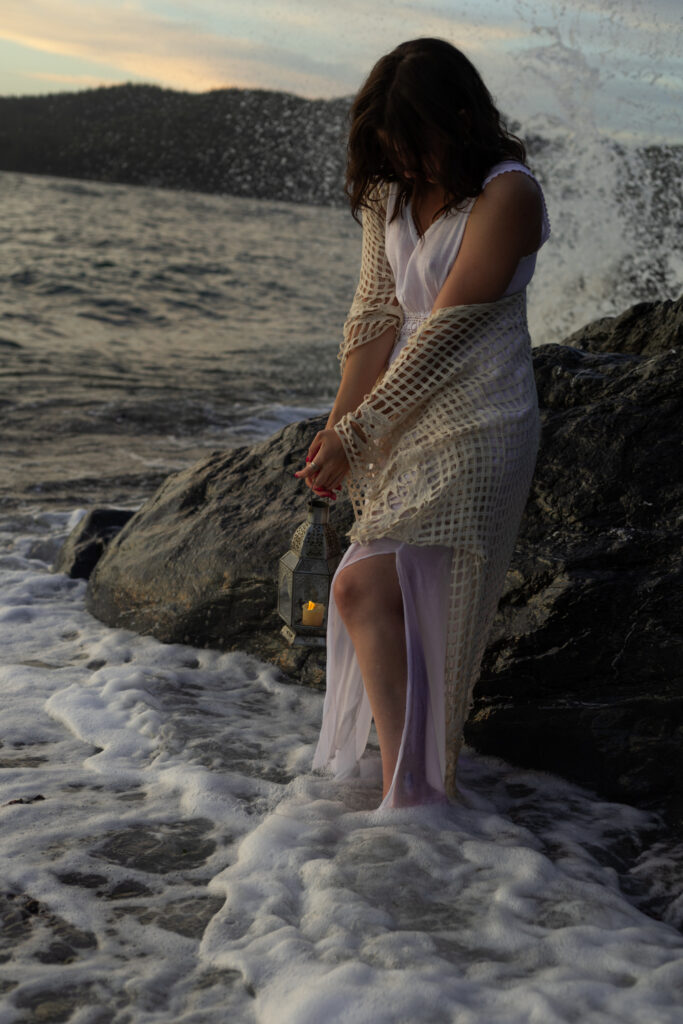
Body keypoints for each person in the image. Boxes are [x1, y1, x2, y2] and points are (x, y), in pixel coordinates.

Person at [295, 38, 550, 808]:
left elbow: (444, 333)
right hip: (399, 418)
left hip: (482, 412)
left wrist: (357, 435)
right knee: (369, 592)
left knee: (375, 583)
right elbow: (374, 316)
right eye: (387, 145)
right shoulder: (388, 193)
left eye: (414, 142)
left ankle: (417, 782)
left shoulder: (510, 194)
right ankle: (416, 781)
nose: (402, 160)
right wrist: (336, 430)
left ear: (462, 119)